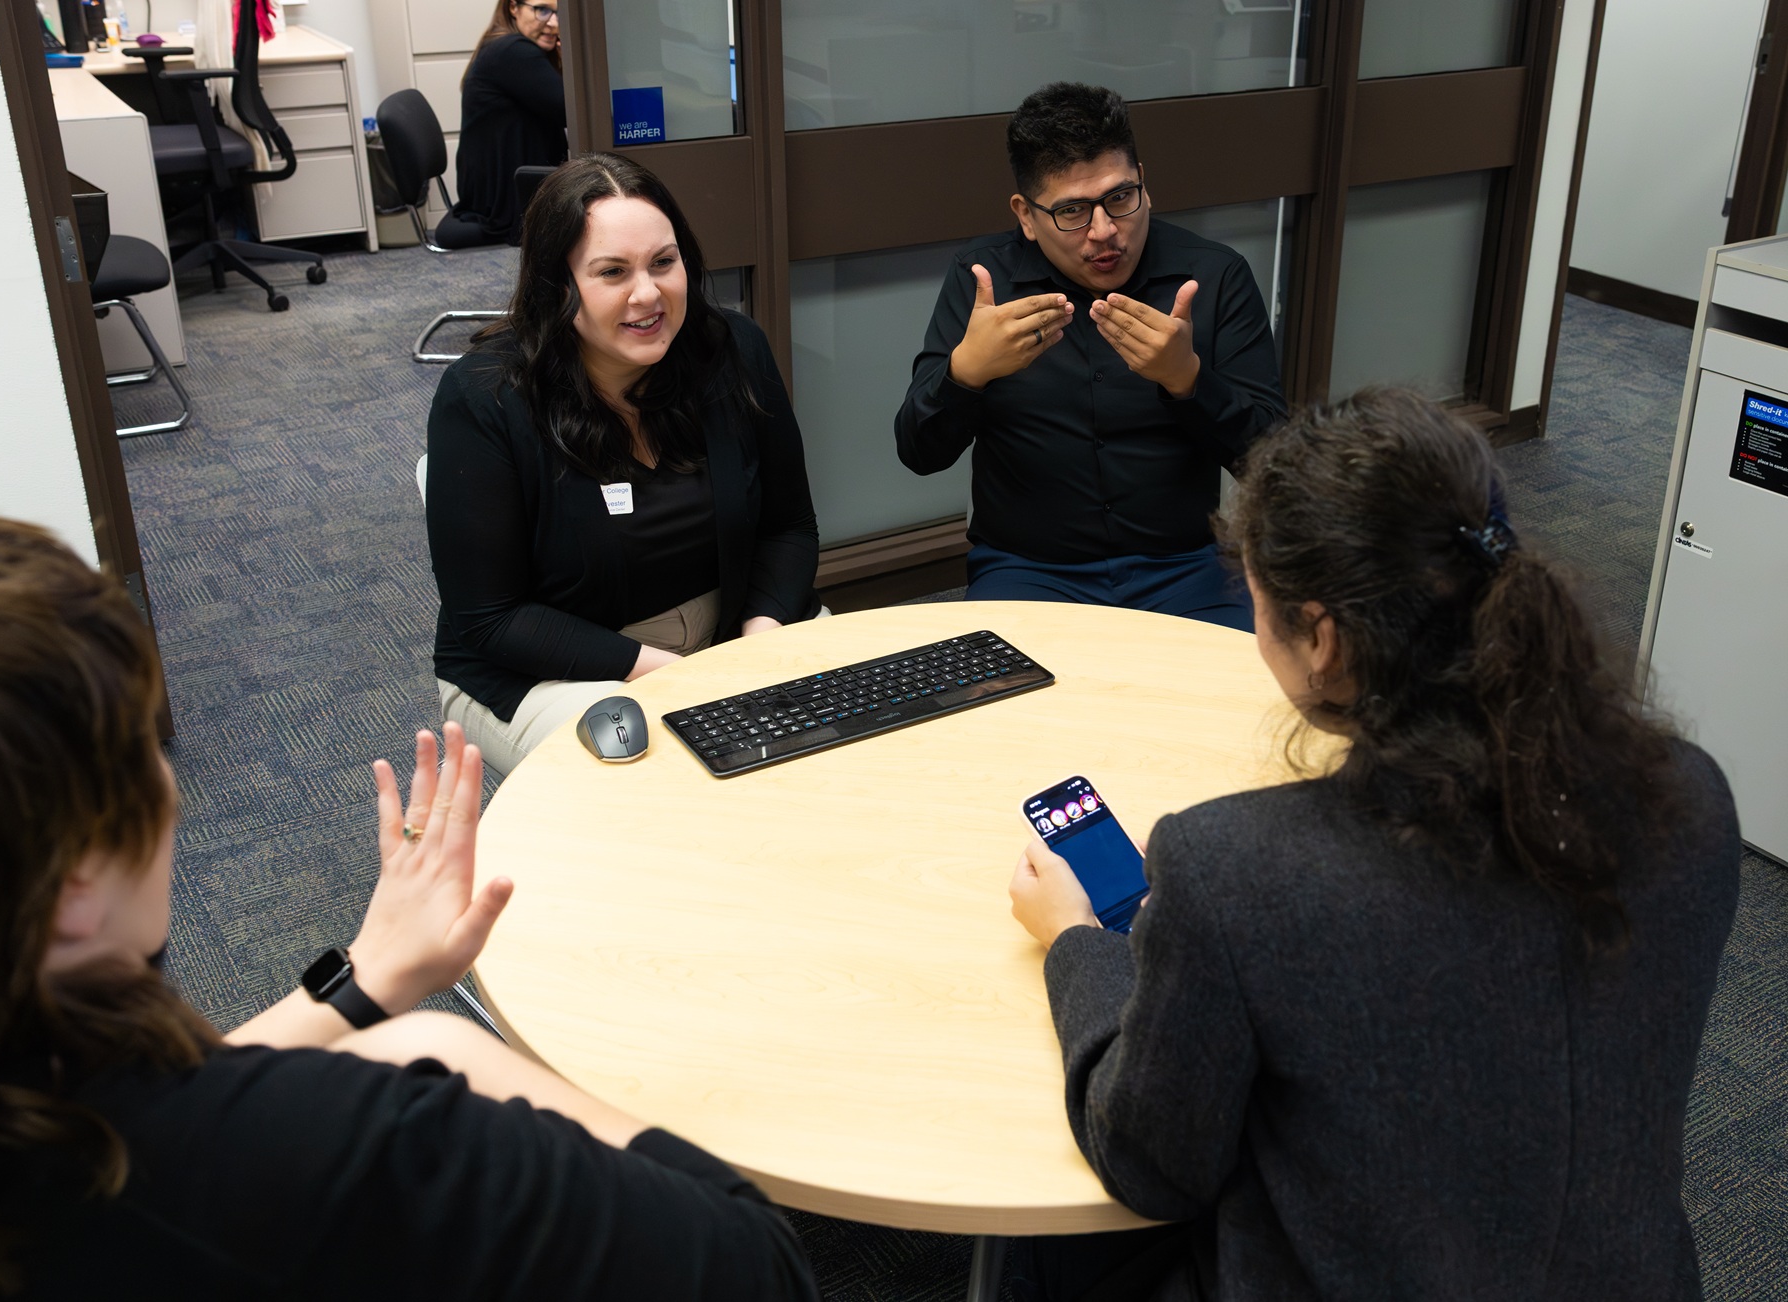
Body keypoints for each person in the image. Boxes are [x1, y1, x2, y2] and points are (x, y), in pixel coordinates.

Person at [1003, 390, 1741, 1300]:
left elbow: (1153, 1163)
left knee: (1032, 1249)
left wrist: (1077, 942)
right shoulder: (1694, 796)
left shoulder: (1231, 871)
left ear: (1320, 638)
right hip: (1628, 1279)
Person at [0, 517, 820, 1299]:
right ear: (74, 885)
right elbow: (755, 1264)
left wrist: (366, 982)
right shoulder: (360, 1141)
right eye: (139, 753)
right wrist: (443, 1050)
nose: (168, 794)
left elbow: (141, 1115)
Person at [427, 153, 820, 775]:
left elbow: (788, 525)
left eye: (663, 263)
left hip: (732, 635)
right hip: (549, 672)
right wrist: (683, 679)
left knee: (853, 732)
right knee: (671, 774)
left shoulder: (732, 350)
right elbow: (491, 619)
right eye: (612, 272)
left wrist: (759, 640)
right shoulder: (485, 397)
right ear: (559, 287)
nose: (648, 293)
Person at [895, 82, 1285, 629]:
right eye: (1072, 211)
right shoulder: (984, 281)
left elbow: (1274, 461)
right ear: (1026, 216)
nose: (1105, 233)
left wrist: (1187, 379)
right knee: (1002, 709)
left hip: (1186, 566)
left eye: (1121, 198)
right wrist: (967, 374)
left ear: (1144, 184)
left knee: (1238, 699)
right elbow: (919, 451)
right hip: (1028, 569)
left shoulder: (1214, 275)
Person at [441, 0, 567, 247]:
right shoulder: (513, 50)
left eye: (560, 12)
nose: (553, 23)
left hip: (493, 188)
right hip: (508, 199)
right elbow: (572, 111)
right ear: (513, 7)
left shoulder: (501, 42)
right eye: (542, 10)